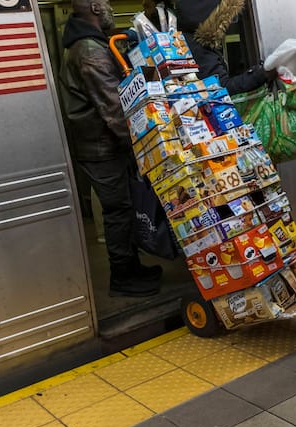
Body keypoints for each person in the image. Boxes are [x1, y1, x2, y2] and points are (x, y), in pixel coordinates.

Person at [60, 0, 162, 297]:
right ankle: (122, 277)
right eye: (104, 3)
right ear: (94, 7)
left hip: (101, 145)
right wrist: (145, 143)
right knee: (118, 210)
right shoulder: (90, 51)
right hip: (101, 148)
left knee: (125, 207)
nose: (108, 7)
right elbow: (114, 109)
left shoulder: (85, 45)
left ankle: (132, 267)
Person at [145, 0, 275, 95]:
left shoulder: (176, 40)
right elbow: (221, 88)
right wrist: (262, 73)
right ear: (216, 18)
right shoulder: (197, 47)